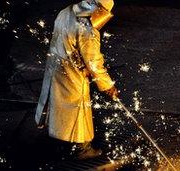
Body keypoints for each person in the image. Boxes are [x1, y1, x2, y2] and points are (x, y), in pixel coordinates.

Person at [35, 0, 118, 159]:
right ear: (99, 9)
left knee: (57, 104)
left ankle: (58, 141)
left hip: (56, 64)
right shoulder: (87, 28)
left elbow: (67, 41)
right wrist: (107, 85)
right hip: (71, 74)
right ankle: (82, 149)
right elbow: (93, 62)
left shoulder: (66, 11)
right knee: (77, 108)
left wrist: (77, 59)